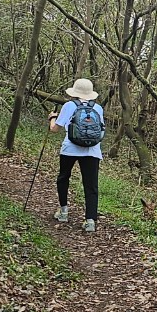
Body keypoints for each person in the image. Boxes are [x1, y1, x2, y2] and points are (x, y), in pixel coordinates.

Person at [48, 78, 105, 232]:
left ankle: (63, 212)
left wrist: (52, 118)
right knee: (91, 185)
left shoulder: (69, 106)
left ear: (74, 92)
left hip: (70, 149)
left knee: (63, 178)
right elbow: (101, 130)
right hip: (92, 150)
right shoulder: (98, 108)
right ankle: (90, 221)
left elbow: (55, 129)